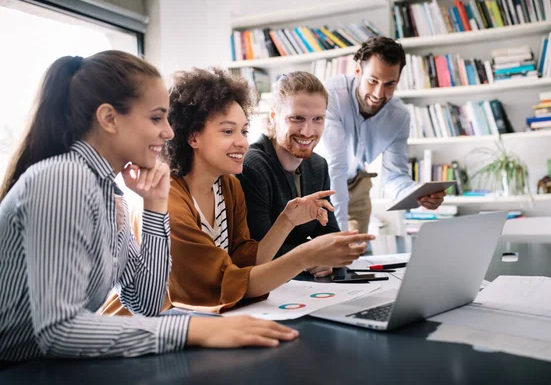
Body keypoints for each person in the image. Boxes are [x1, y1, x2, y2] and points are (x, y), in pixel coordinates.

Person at [0, 51, 300, 364]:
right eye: (156, 118)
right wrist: (193, 330)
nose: (170, 132)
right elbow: (58, 330)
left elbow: (146, 301)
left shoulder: (108, 192)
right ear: (109, 119)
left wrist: (155, 207)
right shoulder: (64, 180)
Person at [103, 67, 373, 315]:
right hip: (142, 328)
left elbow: (246, 260)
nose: (242, 142)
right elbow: (222, 283)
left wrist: (287, 220)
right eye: (228, 131)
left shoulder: (227, 185)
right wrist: (307, 255)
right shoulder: (168, 199)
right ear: (192, 136)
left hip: (192, 322)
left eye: (243, 130)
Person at [316, 36, 446, 234]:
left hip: (358, 183)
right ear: (358, 72)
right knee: (327, 251)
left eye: (389, 84)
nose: (379, 93)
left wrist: (418, 194)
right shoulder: (331, 95)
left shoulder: (399, 116)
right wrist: (338, 236)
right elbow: (335, 169)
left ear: (398, 81)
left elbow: (394, 177)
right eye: (373, 81)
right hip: (321, 182)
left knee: (354, 255)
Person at [237, 72, 338, 278]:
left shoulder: (318, 165)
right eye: (297, 118)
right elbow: (260, 252)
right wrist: (313, 254)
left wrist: (324, 256)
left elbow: (329, 234)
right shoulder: (253, 166)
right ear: (274, 117)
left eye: (317, 119)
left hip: (301, 282)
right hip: (264, 285)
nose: (308, 131)